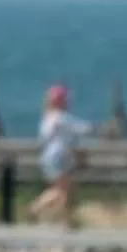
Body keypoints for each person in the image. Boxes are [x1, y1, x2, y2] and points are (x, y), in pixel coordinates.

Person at [34, 83, 88, 228]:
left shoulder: (47, 118)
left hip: (50, 157)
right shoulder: (61, 118)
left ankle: (66, 220)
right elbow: (83, 128)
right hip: (58, 158)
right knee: (62, 190)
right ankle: (36, 209)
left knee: (66, 191)